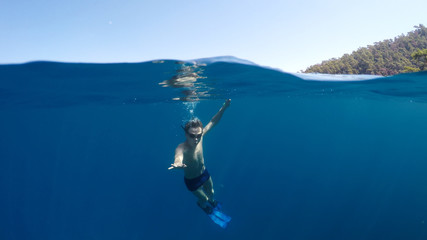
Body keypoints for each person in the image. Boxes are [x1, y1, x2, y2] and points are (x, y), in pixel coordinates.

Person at [168, 99, 231, 213]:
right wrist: (177, 164)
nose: (196, 139)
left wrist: (223, 108)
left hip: (204, 173)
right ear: (186, 134)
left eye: (199, 135)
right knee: (204, 198)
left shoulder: (200, 137)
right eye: (192, 136)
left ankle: (211, 201)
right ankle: (202, 205)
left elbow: (213, 122)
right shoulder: (182, 147)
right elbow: (178, 156)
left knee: (211, 193)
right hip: (192, 181)